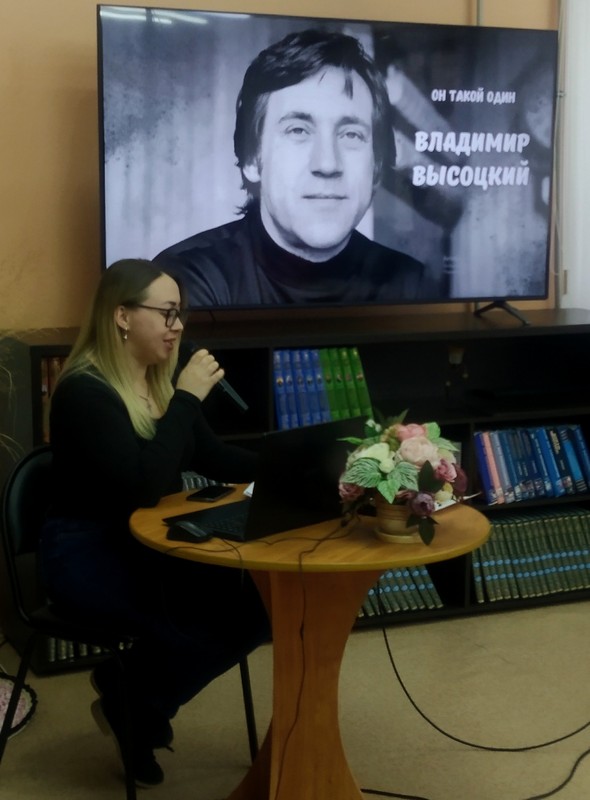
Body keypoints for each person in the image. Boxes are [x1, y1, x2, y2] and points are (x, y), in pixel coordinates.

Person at [39, 259, 269, 787]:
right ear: (122, 316)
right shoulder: (85, 392)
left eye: (180, 313)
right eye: (167, 313)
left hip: (149, 543)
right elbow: (143, 485)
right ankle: (136, 708)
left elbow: (214, 456)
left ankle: (133, 699)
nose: (178, 326)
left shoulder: (158, 382)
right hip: (86, 552)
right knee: (196, 618)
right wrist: (186, 399)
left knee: (258, 603)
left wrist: (286, 467)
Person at [154, 28, 425, 307]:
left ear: (376, 167)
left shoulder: (413, 283)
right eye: (298, 130)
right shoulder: (185, 279)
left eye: (351, 135)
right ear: (252, 159)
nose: (327, 164)